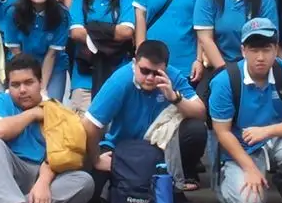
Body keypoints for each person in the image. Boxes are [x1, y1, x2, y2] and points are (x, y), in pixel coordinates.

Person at [0, 53, 97, 203]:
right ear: (8, 86)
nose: (22, 90)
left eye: (28, 83)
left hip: (40, 175)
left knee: (84, 182)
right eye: (15, 85)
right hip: (6, 174)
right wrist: (33, 114)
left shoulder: (57, 109)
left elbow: (63, 155)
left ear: (40, 83)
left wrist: (43, 183)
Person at [208, 19, 282, 203]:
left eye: (266, 50)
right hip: (240, 147)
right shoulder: (225, 81)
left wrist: (266, 131)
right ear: (243, 51)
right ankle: (224, 183)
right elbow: (222, 132)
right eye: (254, 50)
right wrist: (249, 168)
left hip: (276, 140)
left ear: (275, 50)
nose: (260, 57)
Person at [84, 40, 208, 193]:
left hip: (159, 147)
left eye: (157, 73)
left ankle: (185, 175)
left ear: (166, 69)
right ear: (134, 63)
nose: (150, 77)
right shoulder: (120, 81)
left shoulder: (173, 76)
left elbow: (201, 113)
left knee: (195, 129)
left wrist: (174, 97)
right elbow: (89, 123)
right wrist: (96, 159)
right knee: (92, 189)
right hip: (120, 147)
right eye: (144, 71)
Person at [65, 0, 133, 111]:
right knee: (83, 125)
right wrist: (111, 33)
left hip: (118, 75)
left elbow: (126, 32)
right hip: (84, 78)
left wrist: (91, 28)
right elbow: (76, 33)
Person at [0, 0, 69, 98]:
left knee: (49, 103)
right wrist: (29, 82)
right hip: (20, 65)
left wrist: (42, 88)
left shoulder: (62, 15)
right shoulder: (13, 13)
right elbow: (15, 52)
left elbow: (52, 55)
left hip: (52, 67)